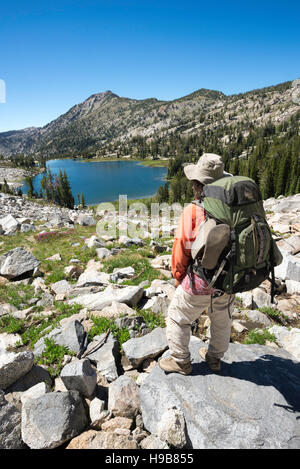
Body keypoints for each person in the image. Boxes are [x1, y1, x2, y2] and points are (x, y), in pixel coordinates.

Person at [159, 153, 234, 375]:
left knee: (177, 316)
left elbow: (182, 246)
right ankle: (214, 359)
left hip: (201, 280)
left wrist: (179, 276)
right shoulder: (232, 207)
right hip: (229, 278)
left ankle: (181, 361)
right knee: (221, 317)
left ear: (197, 184)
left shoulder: (194, 210)